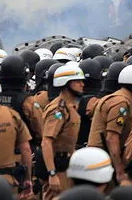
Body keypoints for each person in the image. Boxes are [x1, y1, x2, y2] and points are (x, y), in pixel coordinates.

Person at [88, 64, 132, 183]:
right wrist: (119, 169)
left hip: (102, 159)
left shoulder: (122, 99)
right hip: (102, 161)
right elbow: (111, 138)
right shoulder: (120, 102)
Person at [41, 63, 85, 198]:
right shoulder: (58, 110)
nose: (82, 84)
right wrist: (52, 174)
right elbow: (46, 142)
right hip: (57, 166)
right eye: (77, 81)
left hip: (67, 165)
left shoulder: (70, 107)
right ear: (65, 83)